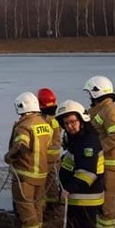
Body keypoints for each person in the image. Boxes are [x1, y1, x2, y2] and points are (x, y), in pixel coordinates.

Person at [56, 100, 105, 228]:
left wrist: (68, 189)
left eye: (73, 122)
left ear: (81, 120)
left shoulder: (87, 142)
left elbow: (87, 173)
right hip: (84, 197)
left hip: (83, 197)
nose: (70, 126)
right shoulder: (79, 139)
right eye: (66, 123)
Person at [3, 92, 52, 228]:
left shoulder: (24, 126)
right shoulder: (44, 124)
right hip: (42, 172)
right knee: (38, 203)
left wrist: (9, 157)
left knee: (24, 203)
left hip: (25, 173)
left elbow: (21, 147)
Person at [83, 76, 115, 228]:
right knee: (104, 196)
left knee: (108, 197)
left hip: (112, 163)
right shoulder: (103, 109)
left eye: (90, 94)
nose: (89, 97)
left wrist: (98, 149)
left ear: (97, 93)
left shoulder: (110, 111)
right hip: (106, 162)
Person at [37, 87, 62, 217]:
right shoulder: (55, 119)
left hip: (46, 158)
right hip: (54, 157)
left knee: (46, 185)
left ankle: (49, 209)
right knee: (51, 183)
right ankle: (52, 207)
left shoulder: (45, 120)